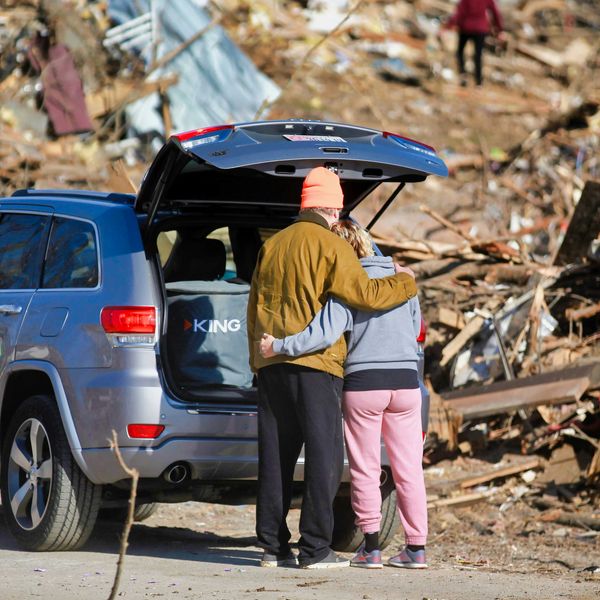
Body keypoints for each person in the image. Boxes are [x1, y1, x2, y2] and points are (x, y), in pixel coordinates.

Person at [247, 167, 418, 569]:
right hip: (316, 365)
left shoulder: (273, 245)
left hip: (272, 364)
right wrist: (407, 284)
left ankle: (272, 547)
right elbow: (364, 294)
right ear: (334, 206)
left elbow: (254, 304)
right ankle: (315, 549)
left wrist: (259, 359)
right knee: (323, 456)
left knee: (275, 457)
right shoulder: (331, 245)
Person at [442, 0, 505, 87]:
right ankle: (478, 81)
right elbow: (495, 12)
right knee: (478, 55)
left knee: (460, 52)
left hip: (466, 28)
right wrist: (499, 30)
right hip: (480, 29)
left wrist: (448, 25)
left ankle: (463, 74)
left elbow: (459, 13)